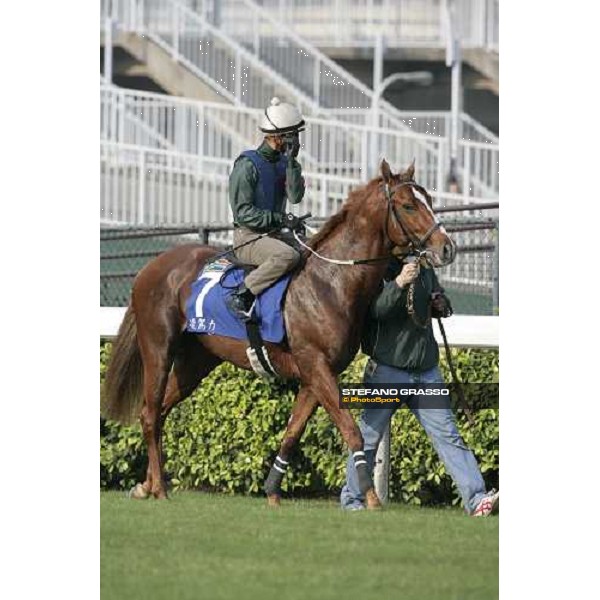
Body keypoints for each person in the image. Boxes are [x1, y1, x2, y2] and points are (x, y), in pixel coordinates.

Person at [340, 257, 499, 516]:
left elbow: (443, 304)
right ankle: (352, 500)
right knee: (368, 437)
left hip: (426, 373)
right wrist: (400, 282)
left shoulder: (425, 268)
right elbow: (376, 311)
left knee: (448, 436)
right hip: (386, 372)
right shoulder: (378, 267)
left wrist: (440, 304)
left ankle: (477, 499)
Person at [226, 97, 306, 319]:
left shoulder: (286, 163)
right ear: (277, 135)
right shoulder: (247, 165)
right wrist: (279, 219)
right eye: (293, 135)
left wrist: (291, 163)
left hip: (276, 235)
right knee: (287, 256)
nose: (297, 140)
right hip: (248, 238)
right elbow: (242, 213)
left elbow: (295, 196)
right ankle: (242, 294)